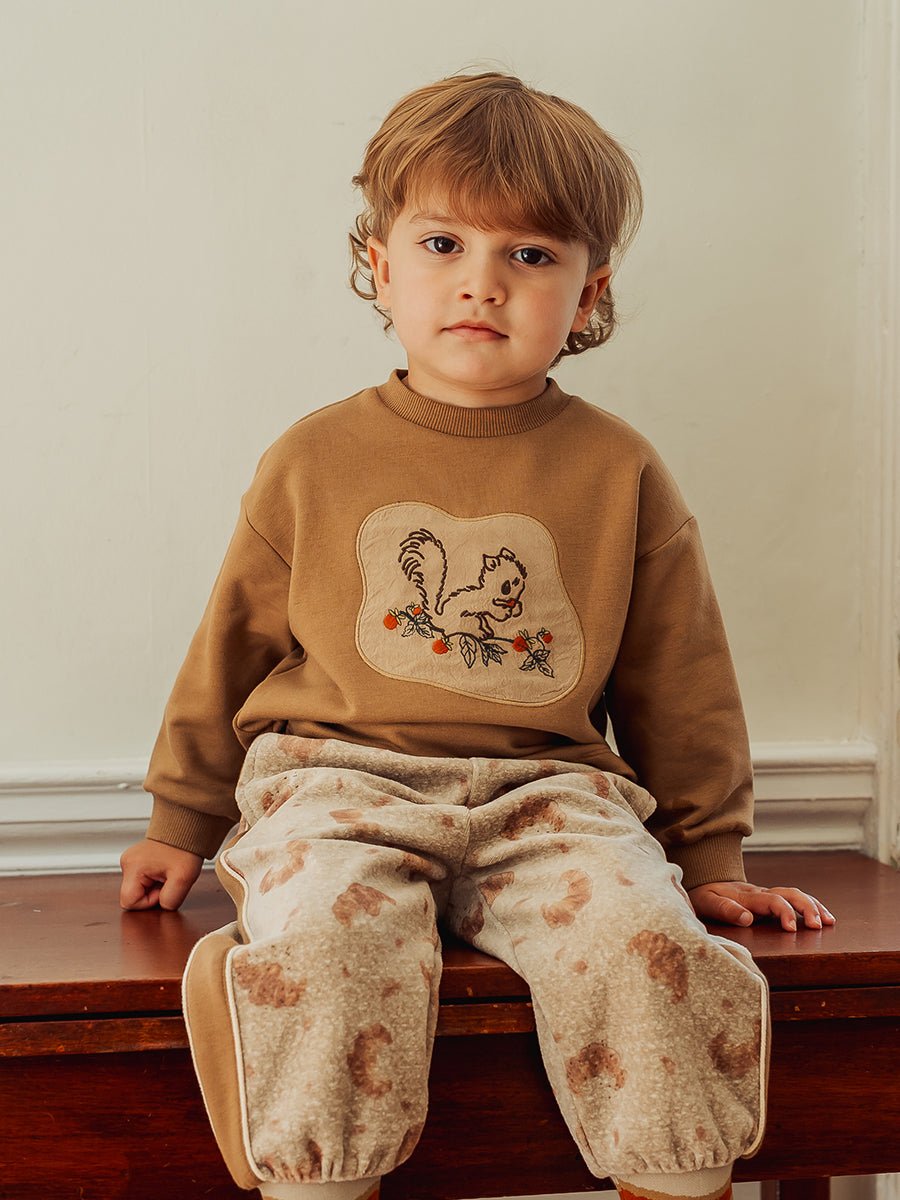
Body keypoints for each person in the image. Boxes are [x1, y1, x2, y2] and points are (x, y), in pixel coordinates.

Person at [120, 71, 833, 1200]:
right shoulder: (313, 458)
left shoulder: (618, 469)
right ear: (379, 263)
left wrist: (709, 858)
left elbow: (680, 678)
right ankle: (314, 1172)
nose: (483, 284)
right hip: (338, 787)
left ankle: (678, 1180)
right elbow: (232, 646)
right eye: (444, 244)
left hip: (551, 799)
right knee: (331, 948)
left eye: (530, 255)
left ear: (590, 292)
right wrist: (180, 819)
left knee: (650, 952)